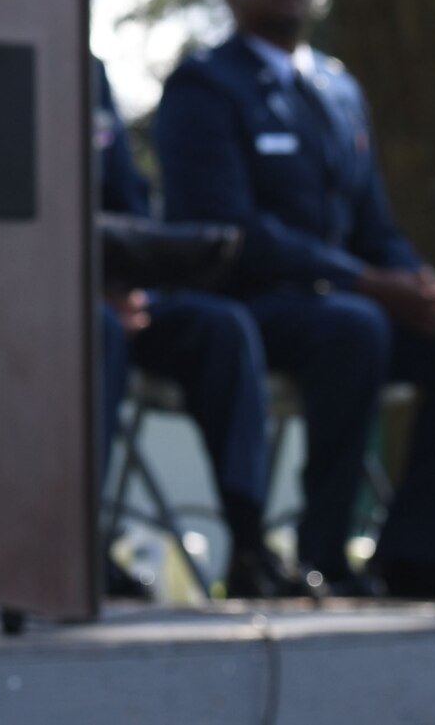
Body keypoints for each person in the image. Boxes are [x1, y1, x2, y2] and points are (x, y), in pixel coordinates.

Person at [155, 0, 435, 598]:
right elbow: (234, 231)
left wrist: (418, 281)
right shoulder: (205, 86)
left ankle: (413, 556)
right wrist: (371, 285)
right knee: (356, 325)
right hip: (250, 309)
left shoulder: (339, 89)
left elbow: (371, 221)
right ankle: (323, 558)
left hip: (351, 306)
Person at [93, 58, 300, 599]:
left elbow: (130, 201)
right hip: (35, 291)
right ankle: (77, 545)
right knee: (96, 332)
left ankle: (251, 544)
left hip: (118, 283)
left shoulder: (87, 71)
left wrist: (131, 282)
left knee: (223, 328)